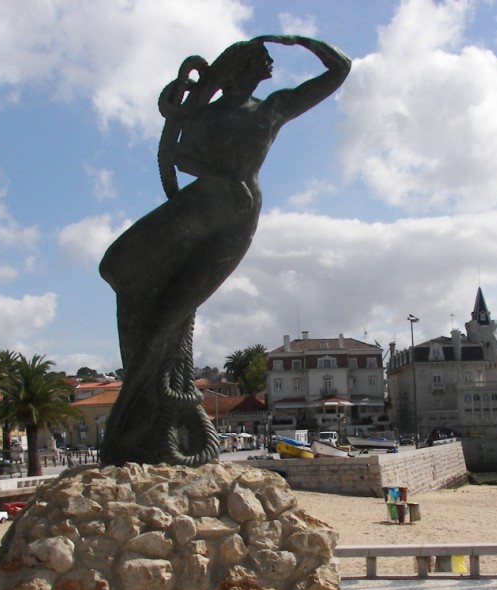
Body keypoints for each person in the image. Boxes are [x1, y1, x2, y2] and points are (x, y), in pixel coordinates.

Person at [99, 36, 350, 467]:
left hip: (235, 218)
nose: (270, 62)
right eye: (262, 57)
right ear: (238, 68)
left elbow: (340, 69)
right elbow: (178, 156)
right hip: (198, 206)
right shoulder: (204, 114)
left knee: (171, 316)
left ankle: (143, 423)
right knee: (118, 265)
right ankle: (150, 416)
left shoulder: (270, 109)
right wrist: (220, 172)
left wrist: (296, 39)